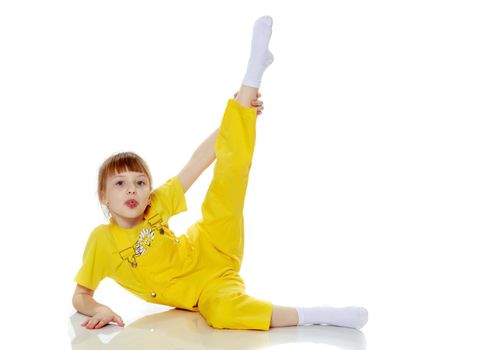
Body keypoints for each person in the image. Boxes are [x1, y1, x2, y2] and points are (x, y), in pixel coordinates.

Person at [72, 15, 369, 331]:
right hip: (206, 289)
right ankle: (323, 316)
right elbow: (81, 295)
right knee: (225, 314)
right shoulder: (101, 241)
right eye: (120, 183)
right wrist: (99, 308)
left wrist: (240, 111)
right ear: (104, 195)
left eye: (140, 182)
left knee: (232, 176)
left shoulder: (155, 205)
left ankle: (252, 76)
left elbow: (199, 159)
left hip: (211, 244)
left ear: (149, 189)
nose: (132, 190)